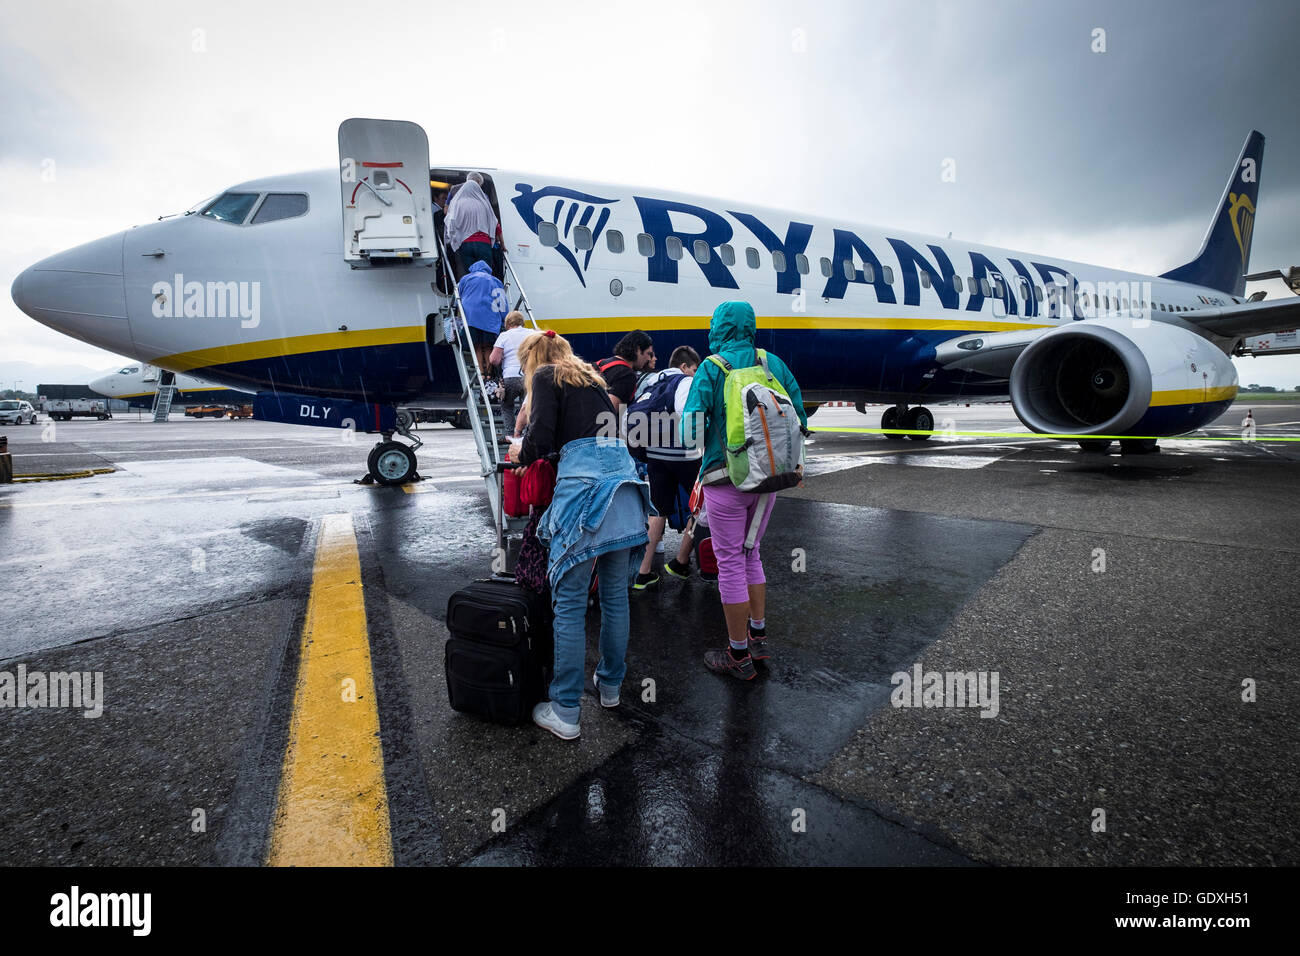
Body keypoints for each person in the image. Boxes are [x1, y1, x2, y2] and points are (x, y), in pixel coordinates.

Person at [509, 330, 651, 740]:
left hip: (586, 495)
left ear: (533, 361)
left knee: (569, 604)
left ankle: (566, 709)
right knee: (614, 598)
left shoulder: (545, 377)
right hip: (623, 490)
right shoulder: (592, 381)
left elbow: (538, 441)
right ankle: (609, 688)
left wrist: (520, 453)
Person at [681, 301, 806, 680]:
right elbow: (799, 416)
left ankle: (737, 655)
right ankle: (759, 637)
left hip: (725, 479)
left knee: (730, 562)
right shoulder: (773, 363)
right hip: (769, 481)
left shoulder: (712, 367)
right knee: (752, 555)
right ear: (750, 326)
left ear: (717, 327)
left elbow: (690, 430)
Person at [632, 346, 702, 589]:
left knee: (657, 510)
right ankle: (681, 562)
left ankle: (643, 572)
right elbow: (687, 413)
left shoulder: (652, 380)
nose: (695, 374)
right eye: (694, 369)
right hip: (684, 455)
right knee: (700, 504)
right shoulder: (684, 382)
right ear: (684, 366)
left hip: (654, 455)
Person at [444, 172, 501, 278]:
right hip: (484, 244)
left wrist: (455, 238)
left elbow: (450, 221)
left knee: (470, 274)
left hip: (465, 244)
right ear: (478, 184)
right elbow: (494, 222)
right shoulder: (484, 202)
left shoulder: (457, 203)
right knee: (485, 274)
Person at [456, 260, 506, 374]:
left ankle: (481, 374)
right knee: (488, 346)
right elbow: (501, 302)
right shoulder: (494, 280)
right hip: (490, 320)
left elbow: (458, 296)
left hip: (471, 318)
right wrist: (504, 317)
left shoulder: (465, 279)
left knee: (477, 346)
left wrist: (456, 309)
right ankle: (489, 374)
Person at [490, 311, 534, 431]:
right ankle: (526, 435)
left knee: (507, 406)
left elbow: (494, 360)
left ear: (507, 323)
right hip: (530, 376)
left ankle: (510, 434)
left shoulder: (504, 335)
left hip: (511, 376)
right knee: (527, 407)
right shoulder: (532, 333)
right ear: (522, 322)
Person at [594, 330, 655, 413]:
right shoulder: (626, 376)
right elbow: (608, 413)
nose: (649, 359)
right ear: (637, 350)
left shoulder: (601, 364)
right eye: (648, 353)